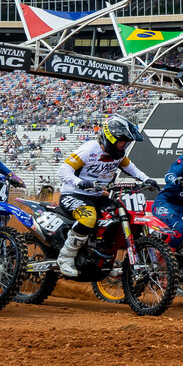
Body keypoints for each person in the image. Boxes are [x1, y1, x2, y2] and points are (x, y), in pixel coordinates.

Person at [56, 115, 164, 272]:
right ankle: (66, 257)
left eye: (126, 143)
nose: (123, 146)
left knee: (120, 215)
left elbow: (131, 168)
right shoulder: (90, 149)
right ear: (109, 138)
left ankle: (102, 255)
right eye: (121, 142)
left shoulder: (117, 155)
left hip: (98, 196)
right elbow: (63, 170)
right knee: (88, 217)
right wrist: (79, 183)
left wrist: (147, 179)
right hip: (73, 194)